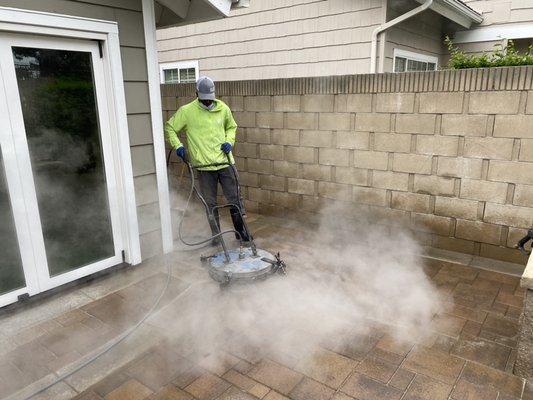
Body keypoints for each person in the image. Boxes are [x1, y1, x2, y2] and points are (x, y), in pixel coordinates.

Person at [164, 76, 251, 244]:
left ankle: (242, 233)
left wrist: (229, 142)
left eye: (209, 100)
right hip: (204, 166)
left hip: (225, 163)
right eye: (203, 100)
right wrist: (178, 147)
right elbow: (170, 127)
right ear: (196, 94)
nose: (207, 103)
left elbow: (232, 127)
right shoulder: (187, 111)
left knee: (235, 199)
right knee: (210, 203)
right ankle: (216, 237)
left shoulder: (223, 109)